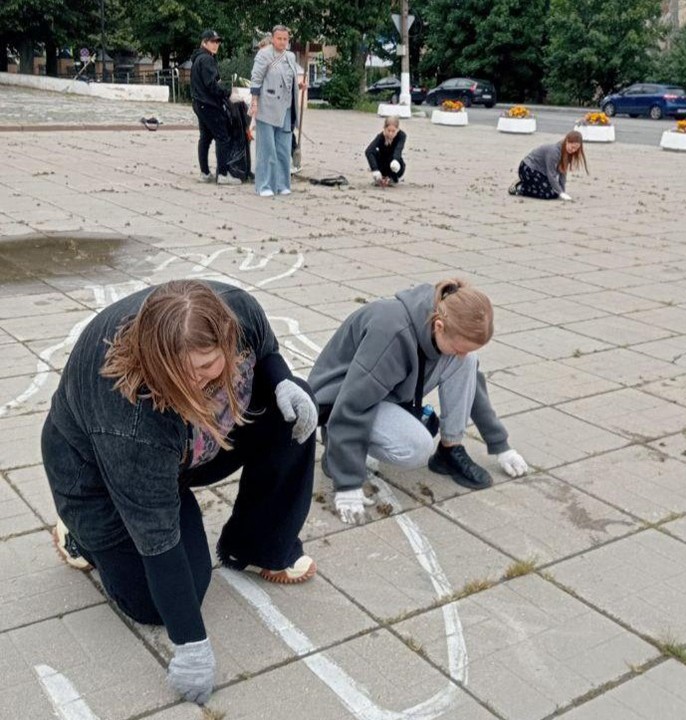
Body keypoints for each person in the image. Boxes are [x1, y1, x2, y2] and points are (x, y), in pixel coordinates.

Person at [42, 280, 319, 705]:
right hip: (98, 472)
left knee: (294, 411)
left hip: (186, 448)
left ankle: (258, 545)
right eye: (177, 373)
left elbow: (265, 351)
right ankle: (81, 531)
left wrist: (282, 381)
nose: (193, 383)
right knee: (155, 605)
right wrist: (191, 645)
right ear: (152, 356)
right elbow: (156, 536)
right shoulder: (127, 417)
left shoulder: (238, 310)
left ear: (227, 335)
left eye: (206, 366)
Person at [308, 279, 530, 524]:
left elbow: (472, 385)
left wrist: (501, 446)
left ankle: (450, 450)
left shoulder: (443, 321)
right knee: (416, 448)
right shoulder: (391, 333)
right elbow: (353, 404)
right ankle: (335, 450)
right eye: (458, 348)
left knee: (466, 363)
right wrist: (347, 483)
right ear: (438, 326)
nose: (461, 354)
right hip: (339, 399)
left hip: (384, 392)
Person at [249, 25, 304, 197]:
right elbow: (256, 79)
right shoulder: (264, 54)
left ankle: (282, 184)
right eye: (279, 38)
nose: (282, 42)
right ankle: (264, 185)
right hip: (267, 106)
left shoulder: (290, 56)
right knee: (267, 149)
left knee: (282, 148)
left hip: (286, 108)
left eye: (285, 39)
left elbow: (290, 79)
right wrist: (254, 102)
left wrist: (299, 86)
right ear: (273, 38)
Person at [190, 29, 241, 186]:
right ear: (204, 42)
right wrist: (227, 93)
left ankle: (205, 173)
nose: (216, 44)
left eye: (218, 42)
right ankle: (223, 175)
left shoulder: (198, 59)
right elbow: (211, 85)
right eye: (213, 41)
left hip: (199, 103)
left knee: (205, 138)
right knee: (222, 137)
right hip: (209, 104)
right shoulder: (206, 60)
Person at [508, 131, 587, 201]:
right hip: (528, 168)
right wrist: (560, 193)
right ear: (567, 141)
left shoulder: (567, 154)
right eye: (572, 147)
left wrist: (563, 191)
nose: (573, 150)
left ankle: (527, 184)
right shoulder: (554, 152)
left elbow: (562, 173)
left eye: (576, 149)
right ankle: (520, 188)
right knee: (548, 194)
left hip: (540, 172)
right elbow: (551, 174)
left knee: (554, 192)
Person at [366, 116, 406, 187]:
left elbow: (398, 149)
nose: (390, 134)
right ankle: (380, 177)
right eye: (388, 130)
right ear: (384, 129)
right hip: (382, 164)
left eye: (393, 131)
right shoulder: (381, 137)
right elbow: (368, 151)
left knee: (396, 161)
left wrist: (395, 160)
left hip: (395, 164)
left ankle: (393, 178)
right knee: (374, 152)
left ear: (397, 129)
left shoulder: (401, 136)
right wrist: (374, 169)